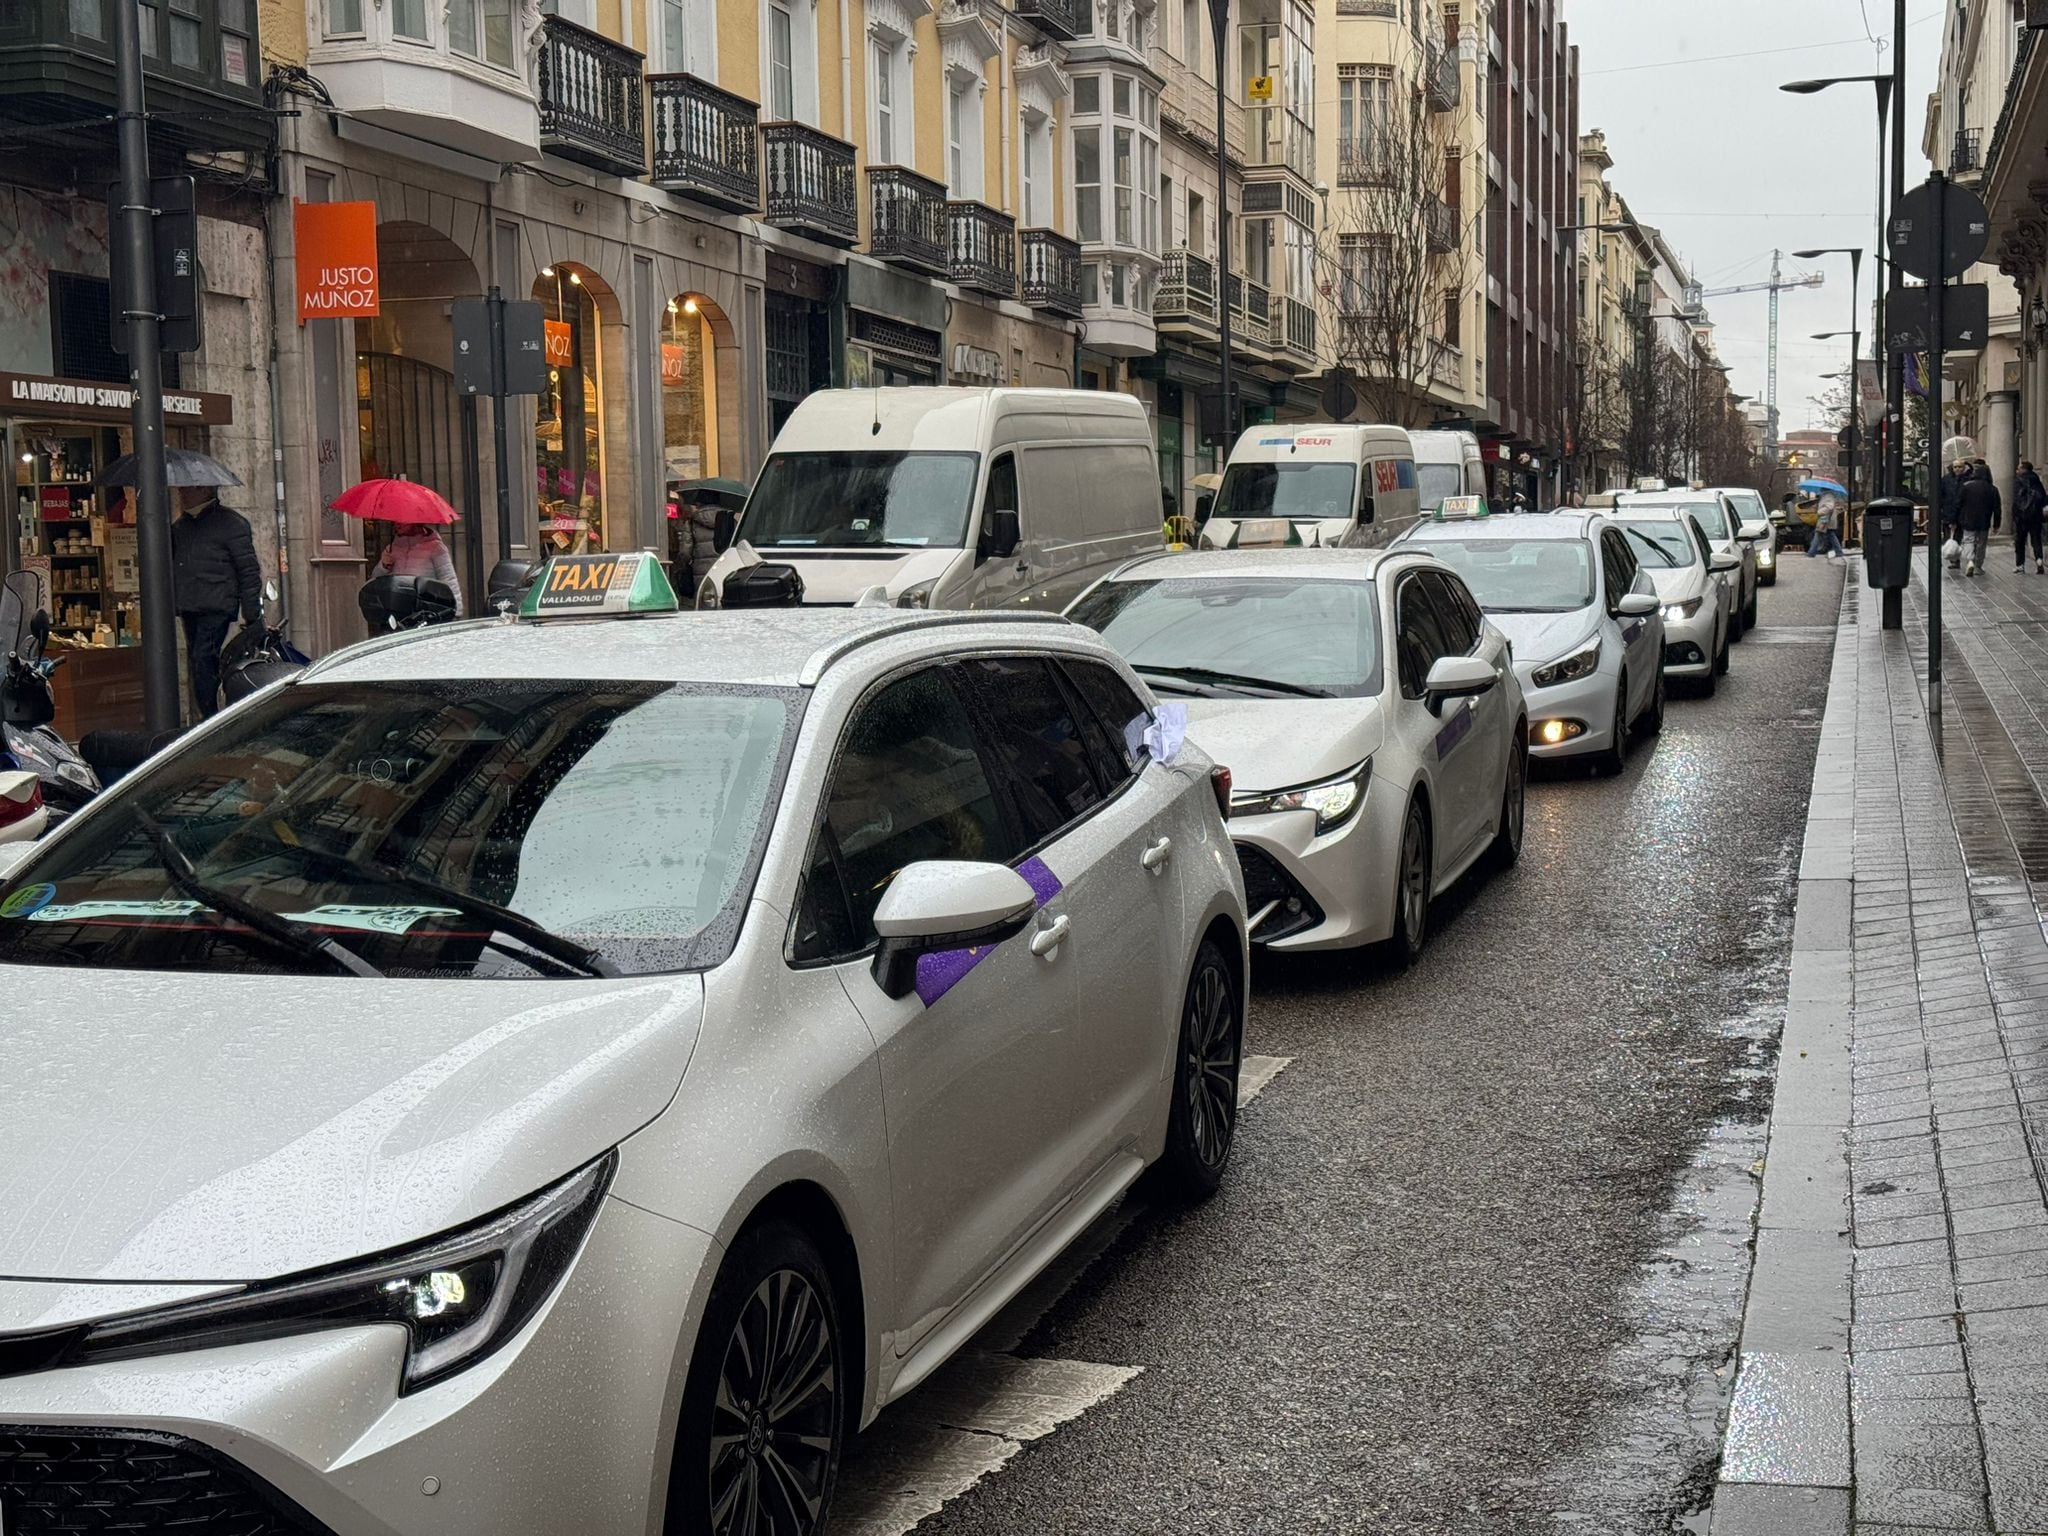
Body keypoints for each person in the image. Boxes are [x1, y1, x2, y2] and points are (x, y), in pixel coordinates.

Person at [170, 486, 263, 720]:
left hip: (216, 605)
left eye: (188, 490)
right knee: (198, 661)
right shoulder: (180, 528)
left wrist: (252, 613)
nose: (183, 493)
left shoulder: (232, 524)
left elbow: (248, 570)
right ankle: (207, 715)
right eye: (181, 490)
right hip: (190, 604)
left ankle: (211, 717)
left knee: (203, 659)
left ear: (206, 490)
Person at [379, 523, 462, 614]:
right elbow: (376, 579)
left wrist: (455, 610)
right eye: (395, 520)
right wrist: (383, 566)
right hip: (398, 609)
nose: (397, 523)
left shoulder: (436, 547)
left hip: (426, 609)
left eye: (402, 520)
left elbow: (448, 578)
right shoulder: (391, 548)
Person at [1957, 460, 2003, 577]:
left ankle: (1970, 561)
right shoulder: (1992, 489)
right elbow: (1997, 508)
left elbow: (1958, 504)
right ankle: (1978, 565)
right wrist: (1996, 524)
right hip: (1984, 520)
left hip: (1968, 519)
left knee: (1968, 540)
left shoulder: (1966, 486)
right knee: (1981, 543)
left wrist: (1956, 519)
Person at [2015, 459, 2046, 574]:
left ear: (2024, 469)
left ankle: (2020, 565)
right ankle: (2039, 560)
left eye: (2019, 468)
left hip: (2022, 516)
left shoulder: (2018, 481)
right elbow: (2043, 498)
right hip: (2035, 516)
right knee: (2036, 539)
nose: (2017, 470)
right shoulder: (2037, 481)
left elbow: (2017, 500)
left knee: (2020, 541)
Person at [1940, 459, 1969, 567]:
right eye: (1955, 467)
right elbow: (1941, 496)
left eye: (1960, 467)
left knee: (1959, 537)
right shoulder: (1946, 480)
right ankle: (1953, 558)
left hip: (1962, 513)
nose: (1957, 469)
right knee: (1949, 537)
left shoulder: (1967, 480)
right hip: (1948, 512)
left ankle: (1956, 558)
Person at [1808, 493, 1845, 559]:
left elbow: (1829, 507)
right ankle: (1839, 552)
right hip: (1827, 520)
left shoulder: (1828, 496)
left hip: (1826, 520)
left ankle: (1811, 552)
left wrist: (1819, 511)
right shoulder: (1826, 496)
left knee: (1818, 534)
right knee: (1830, 535)